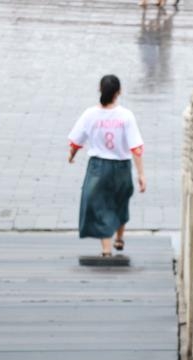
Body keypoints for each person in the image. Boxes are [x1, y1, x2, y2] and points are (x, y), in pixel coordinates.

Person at [68, 74, 146, 257]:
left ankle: (106, 249)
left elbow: (76, 141)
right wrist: (141, 174)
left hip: (98, 166)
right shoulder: (126, 116)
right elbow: (136, 148)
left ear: (99, 90)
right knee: (120, 201)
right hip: (122, 167)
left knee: (101, 205)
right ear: (119, 92)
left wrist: (71, 155)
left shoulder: (90, 115)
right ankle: (119, 238)